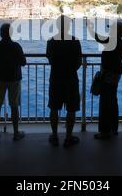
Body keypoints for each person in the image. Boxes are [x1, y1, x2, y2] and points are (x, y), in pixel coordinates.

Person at [46, 15, 82, 147]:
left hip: (55, 78)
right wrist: (71, 69)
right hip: (71, 79)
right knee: (71, 109)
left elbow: (50, 60)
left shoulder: (51, 41)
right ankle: (68, 137)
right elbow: (78, 62)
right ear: (68, 26)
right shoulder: (75, 41)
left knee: (54, 108)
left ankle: (55, 136)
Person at [0, 23, 27, 142]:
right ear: (11, 33)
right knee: (14, 106)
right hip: (14, 79)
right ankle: (15, 133)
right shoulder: (16, 46)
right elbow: (23, 62)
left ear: (0, 33)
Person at [87, 21, 122, 140]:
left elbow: (98, 38)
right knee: (112, 101)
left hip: (109, 74)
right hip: (115, 74)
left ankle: (105, 131)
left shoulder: (113, 40)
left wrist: (90, 28)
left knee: (105, 102)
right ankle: (114, 128)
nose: (110, 30)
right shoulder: (118, 41)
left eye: (112, 28)